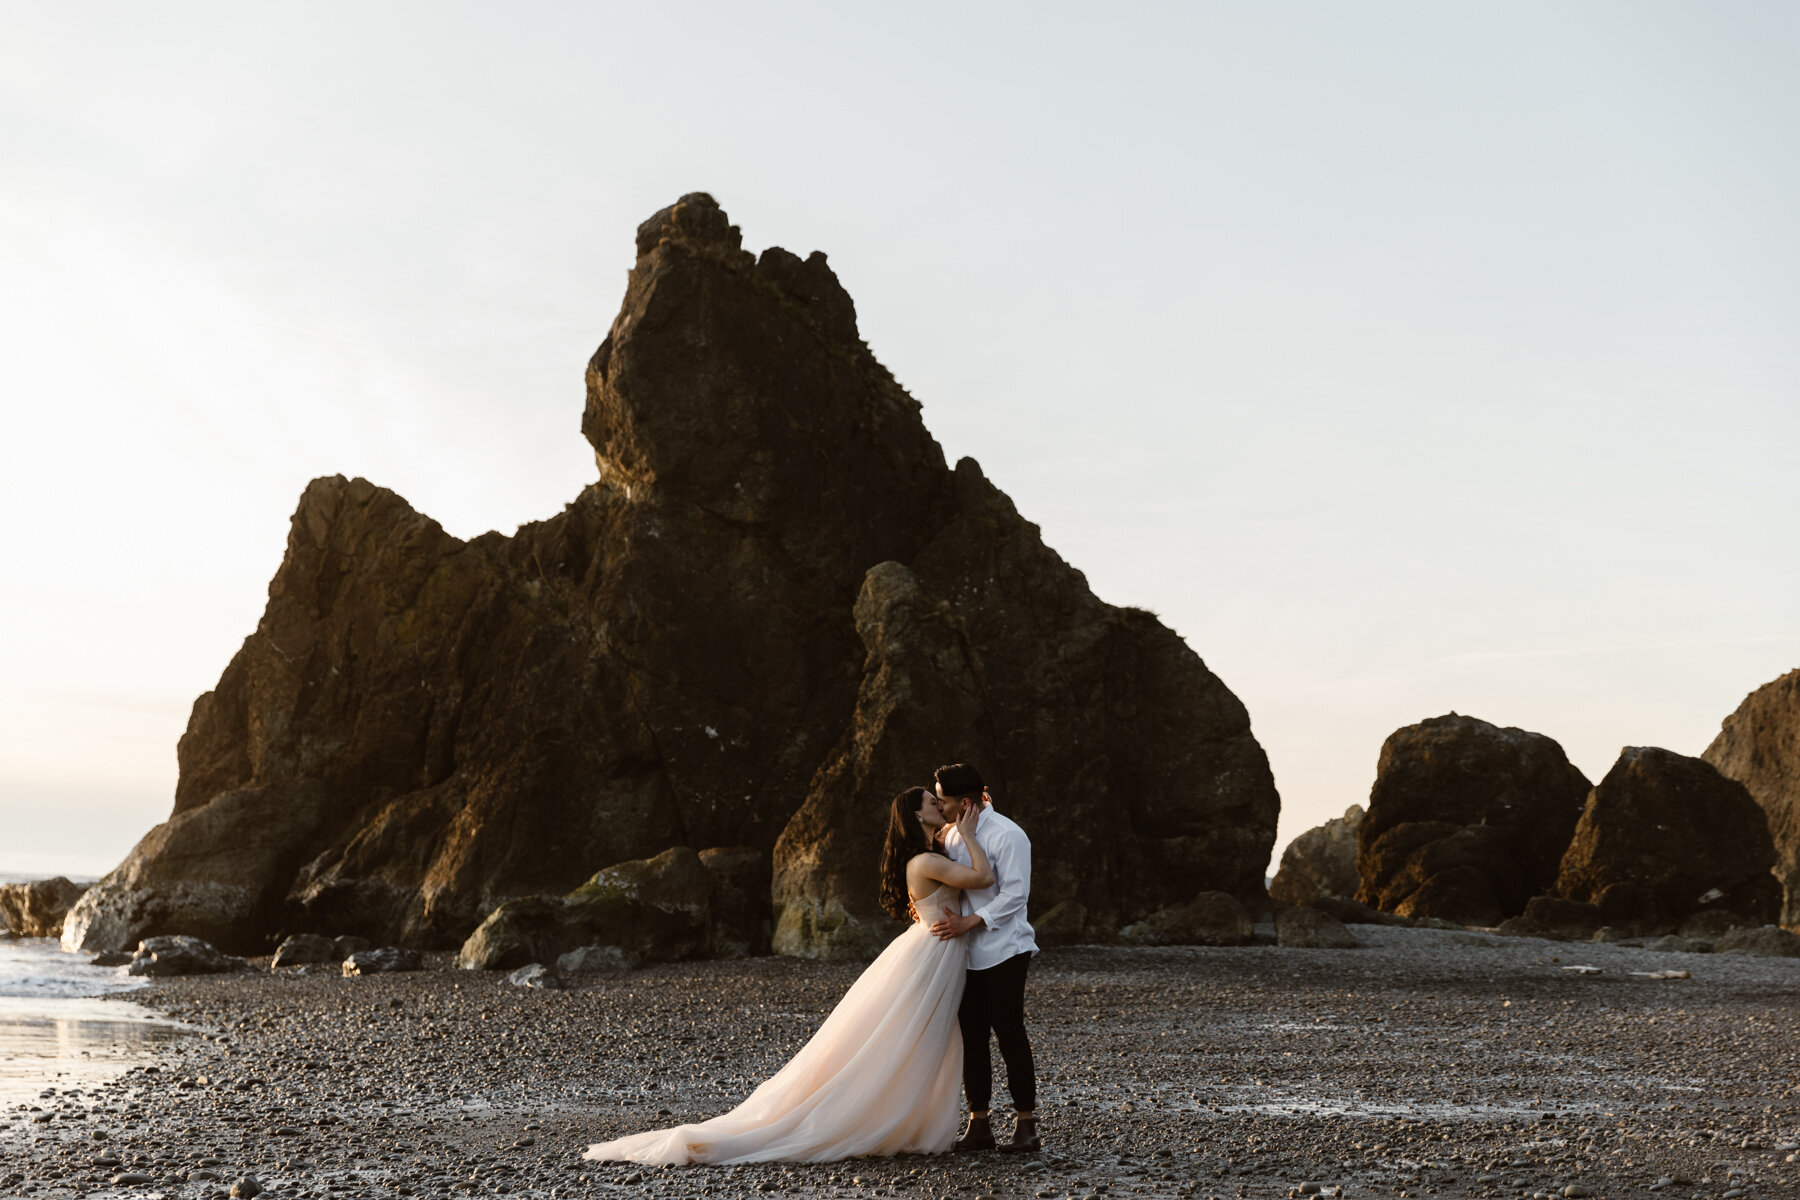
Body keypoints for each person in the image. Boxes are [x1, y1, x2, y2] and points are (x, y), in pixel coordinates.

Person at [583, 786, 994, 1165]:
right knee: (903, 1041)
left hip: (935, 949)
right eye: (931, 803)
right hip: (933, 953)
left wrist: (972, 814)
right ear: (916, 817)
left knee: (920, 1041)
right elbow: (982, 878)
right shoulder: (925, 861)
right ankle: (870, 1116)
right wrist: (971, 834)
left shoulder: (929, 852)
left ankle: (902, 1115)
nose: (939, 806)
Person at [931, 763, 1041, 1153]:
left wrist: (970, 923)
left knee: (1009, 1033)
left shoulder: (1008, 835)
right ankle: (979, 1125)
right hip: (965, 952)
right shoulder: (949, 836)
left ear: (963, 802)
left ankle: (1025, 1126)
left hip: (1006, 949)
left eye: (942, 800)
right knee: (972, 1038)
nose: (939, 807)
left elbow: (1015, 895)